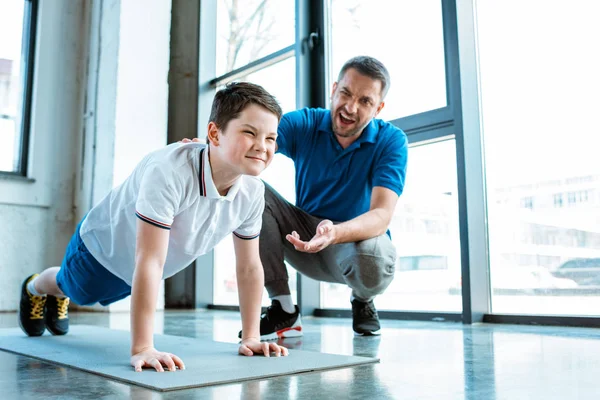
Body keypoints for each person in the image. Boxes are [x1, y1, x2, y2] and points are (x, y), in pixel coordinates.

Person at [18, 82, 289, 372]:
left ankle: (56, 291)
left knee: (102, 291)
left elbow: (249, 267)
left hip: (140, 274)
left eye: (271, 138)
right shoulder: (169, 171)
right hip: (101, 250)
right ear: (214, 134)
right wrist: (143, 348)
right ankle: (35, 286)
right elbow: (149, 258)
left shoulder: (253, 191)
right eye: (249, 132)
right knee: (75, 290)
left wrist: (251, 337)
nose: (262, 146)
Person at [245, 56, 408, 340]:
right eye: (345, 93)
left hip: (352, 247)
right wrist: (208, 150)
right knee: (248, 186)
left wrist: (335, 233)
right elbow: (257, 143)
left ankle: (362, 299)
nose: (350, 107)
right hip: (301, 239)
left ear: (378, 108)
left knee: (376, 255)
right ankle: (283, 307)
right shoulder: (306, 123)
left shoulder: (390, 141)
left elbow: (382, 215)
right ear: (333, 90)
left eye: (365, 101)